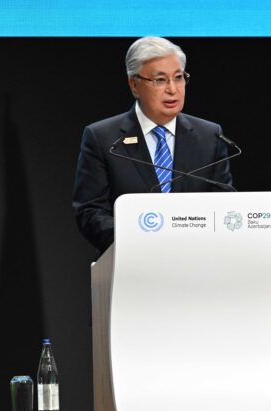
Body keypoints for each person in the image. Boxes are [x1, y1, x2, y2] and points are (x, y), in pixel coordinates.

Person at [72, 36, 233, 254]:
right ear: (134, 85)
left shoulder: (210, 136)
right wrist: (142, 244)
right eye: (160, 80)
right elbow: (90, 211)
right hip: (133, 262)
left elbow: (223, 207)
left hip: (197, 260)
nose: (172, 89)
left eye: (178, 77)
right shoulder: (103, 138)